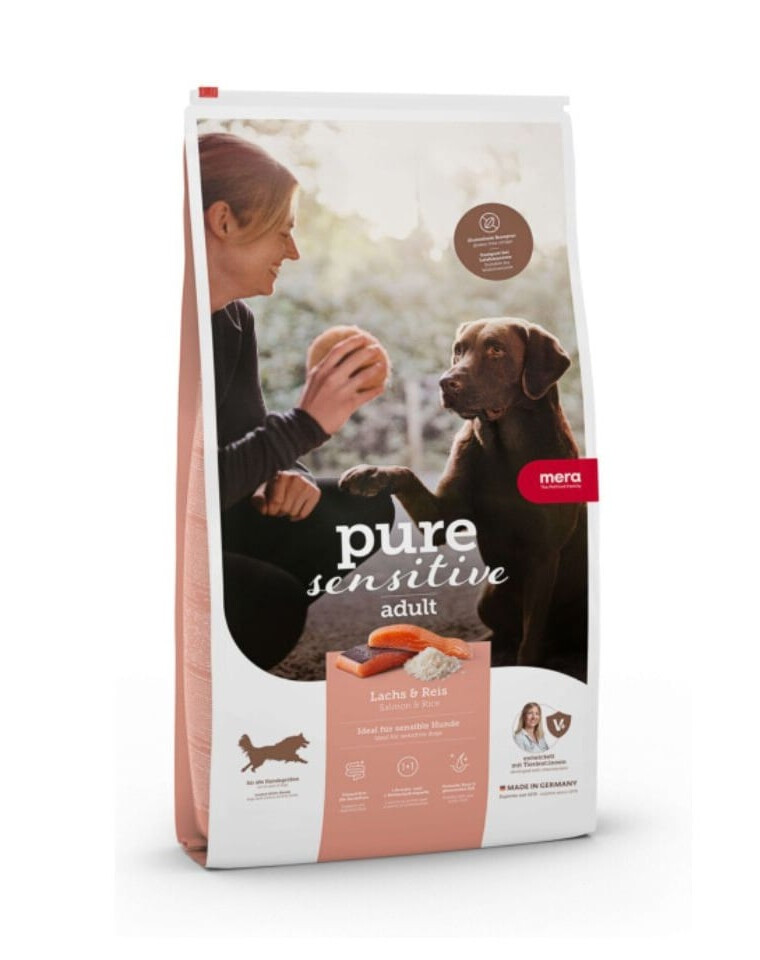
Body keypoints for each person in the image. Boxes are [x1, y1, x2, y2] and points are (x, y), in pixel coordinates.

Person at [199, 132, 394, 671]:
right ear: (224, 221)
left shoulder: (234, 321)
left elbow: (246, 442)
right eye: (283, 231)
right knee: (272, 601)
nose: (293, 251)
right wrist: (306, 423)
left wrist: (286, 477)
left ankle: (230, 624)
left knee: (365, 506)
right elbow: (184, 495)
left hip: (216, 523)